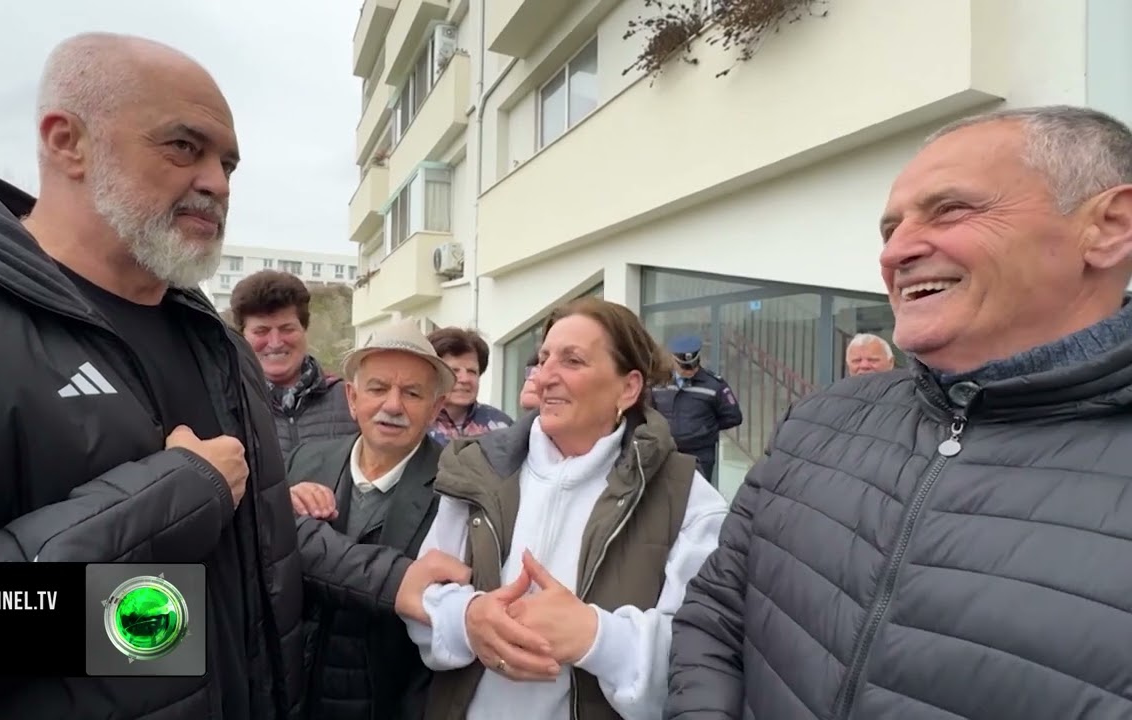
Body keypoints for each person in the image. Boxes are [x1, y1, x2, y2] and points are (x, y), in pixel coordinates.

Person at [0, 32, 464, 720]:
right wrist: (172, 497)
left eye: (227, 163)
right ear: (67, 142)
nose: (217, 183)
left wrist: (397, 582)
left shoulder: (216, 343)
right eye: (183, 146)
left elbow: (240, 566)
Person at [666, 105, 1132, 719]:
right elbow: (714, 617)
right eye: (890, 230)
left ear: (1109, 228)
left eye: (951, 210)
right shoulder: (817, 422)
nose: (896, 253)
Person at [407, 297, 731, 719]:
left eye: (572, 361)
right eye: (543, 360)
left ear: (628, 387)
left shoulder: (688, 500)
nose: (545, 377)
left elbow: (701, 659)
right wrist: (466, 619)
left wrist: (597, 637)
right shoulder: (478, 469)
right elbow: (422, 594)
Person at [286, 321, 453, 720]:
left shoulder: (456, 487)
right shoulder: (304, 462)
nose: (392, 405)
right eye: (377, 388)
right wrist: (281, 507)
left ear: (435, 408)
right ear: (352, 397)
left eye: (412, 393)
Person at [229, 269, 358, 459]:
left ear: (304, 329)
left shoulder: (350, 401)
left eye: (287, 329)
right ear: (242, 337)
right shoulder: (228, 404)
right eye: (261, 331)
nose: (275, 343)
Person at [651, 335, 743, 483]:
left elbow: (733, 416)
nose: (690, 370)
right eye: (684, 366)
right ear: (673, 360)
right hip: (666, 452)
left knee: (697, 495)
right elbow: (650, 411)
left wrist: (705, 428)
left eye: (694, 365)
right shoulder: (659, 382)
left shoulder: (713, 385)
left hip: (700, 455)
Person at [426, 327, 512, 445]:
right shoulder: (416, 424)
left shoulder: (502, 426)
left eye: (472, 371)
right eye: (454, 371)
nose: (465, 379)